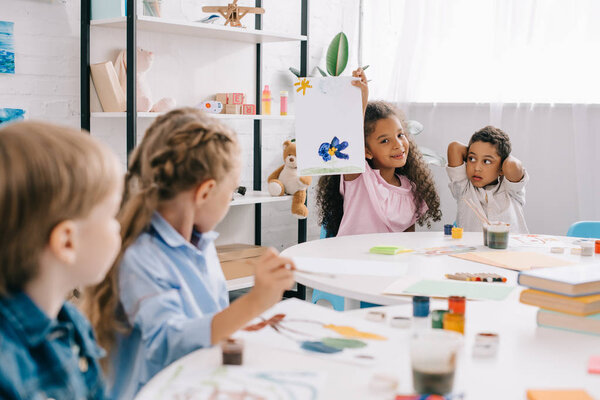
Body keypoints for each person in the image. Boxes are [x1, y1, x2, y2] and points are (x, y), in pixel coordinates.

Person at [84, 108, 295, 399]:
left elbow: (210, 317)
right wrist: (255, 301)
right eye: (231, 190)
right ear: (205, 192)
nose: (230, 197)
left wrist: (243, 320)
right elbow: (171, 343)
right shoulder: (139, 255)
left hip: (194, 383)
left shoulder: (201, 243)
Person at [0, 121, 122, 399]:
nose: (118, 227)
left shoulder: (72, 324)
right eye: (111, 215)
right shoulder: (6, 366)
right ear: (67, 241)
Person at [316, 68, 442, 237]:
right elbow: (351, 139)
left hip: (388, 261)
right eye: (385, 140)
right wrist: (362, 97)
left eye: (400, 135)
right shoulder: (359, 178)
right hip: (352, 256)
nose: (398, 145)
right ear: (366, 151)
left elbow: (409, 240)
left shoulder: (410, 188)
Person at [447, 125, 528, 233]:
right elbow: (454, 147)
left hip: (509, 249)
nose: (476, 168)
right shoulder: (464, 189)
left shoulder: (511, 191)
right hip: (471, 249)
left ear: (502, 168)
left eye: (487, 161)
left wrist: (502, 154)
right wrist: (480, 153)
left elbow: (511, 165)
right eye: (471, 159)